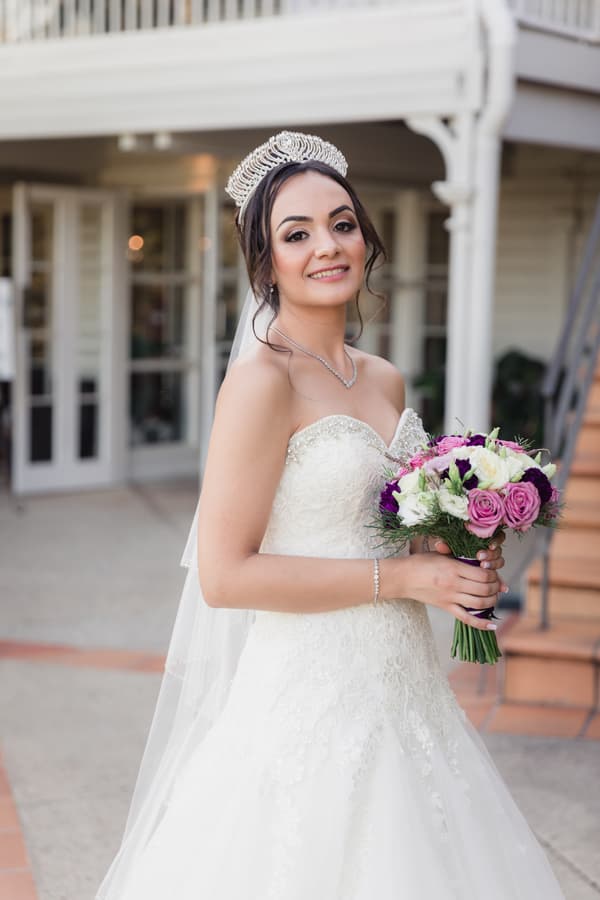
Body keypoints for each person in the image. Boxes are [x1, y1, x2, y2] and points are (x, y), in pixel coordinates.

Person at [97, 131, 565, 899]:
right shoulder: (261, 382)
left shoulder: (383, 378)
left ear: (366, 237)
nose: (328, 246)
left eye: (342, 223)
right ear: (266, 261)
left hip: (407, 690)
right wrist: (405, 575)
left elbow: (385, 523)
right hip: (309, 701)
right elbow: (225, 574)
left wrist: (455, 549)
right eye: (298, 233)